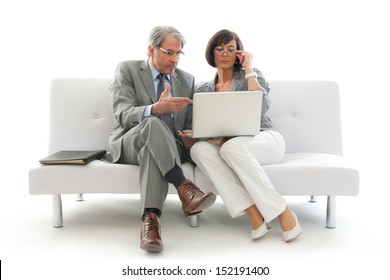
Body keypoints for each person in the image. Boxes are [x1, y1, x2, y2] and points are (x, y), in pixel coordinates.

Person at [185, 29, 302, 242]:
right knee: (198, 149)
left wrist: (248, 69)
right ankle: (254, 214)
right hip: (231, 146)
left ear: (239, 53)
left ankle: (282, 211)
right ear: (211, 53)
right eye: (220, 49)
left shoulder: (251, 74)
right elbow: (206, 127)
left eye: (231, 49)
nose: (225, 53)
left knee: (231, 147)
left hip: (265, 139)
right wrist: (195, 136)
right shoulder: (203, 89)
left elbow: (262, 108)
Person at [108, 26, 216, 252]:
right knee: (151, 122)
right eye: (168, 52)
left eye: (178, 54)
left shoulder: (186, 79)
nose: (174, 59)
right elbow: (122, 114)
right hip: (130, 142)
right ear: (151, 49)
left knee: (152, 150)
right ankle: (183, 186)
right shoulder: (127, 70)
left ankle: (151, 222)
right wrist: (155, 108)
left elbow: (188, 124)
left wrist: (190, 137)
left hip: (168, 148)